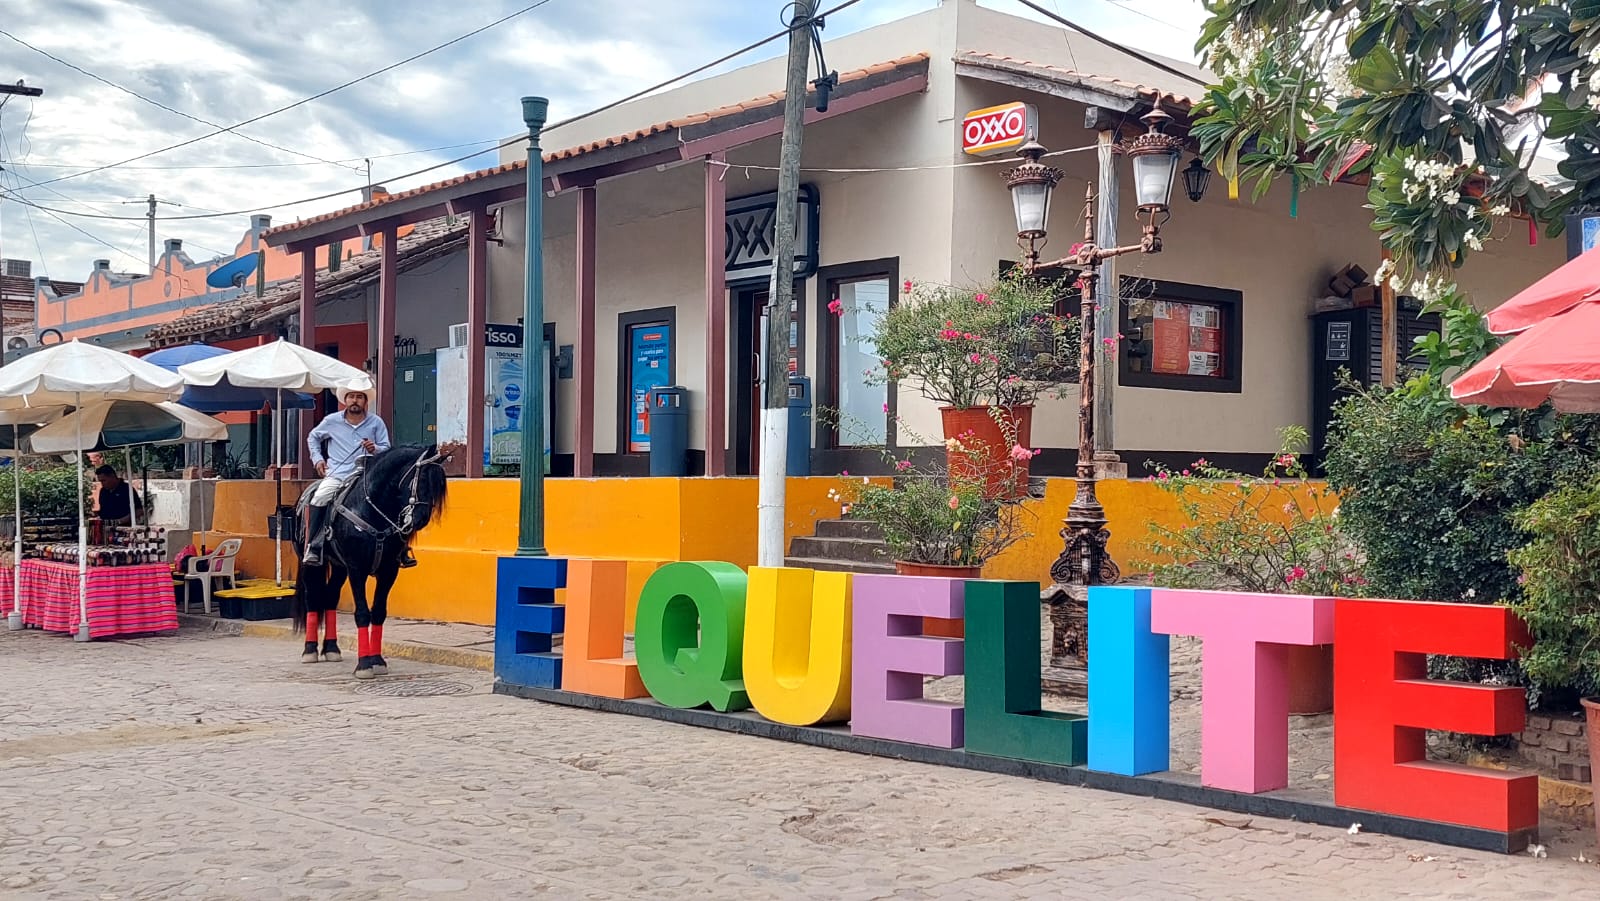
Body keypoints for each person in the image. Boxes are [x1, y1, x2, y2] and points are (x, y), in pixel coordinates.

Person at [302, 387, 413, 568]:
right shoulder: (331, 421)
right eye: (351, 397)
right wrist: (317, 460)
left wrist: (374, 449)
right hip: (338, 474)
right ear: (345, 400)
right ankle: (314, 544)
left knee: (395, 499)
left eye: (359, 397)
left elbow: (386, 449)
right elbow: (312, 437)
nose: (355, 400)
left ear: (365, 401)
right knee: (320, 497)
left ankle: (402, 549)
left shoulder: (376, 422)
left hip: (367, 476)